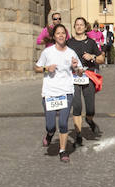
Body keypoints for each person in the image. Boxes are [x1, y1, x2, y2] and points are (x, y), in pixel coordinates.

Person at [35, 23, 83, 163]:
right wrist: (46, 68)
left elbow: (80, 72)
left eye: (63, 33)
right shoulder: (47, 52)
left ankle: (63, 150)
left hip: (66, 92)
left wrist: (76, 68)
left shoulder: (71, 53)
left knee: (63, 123)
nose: (61, 35)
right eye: (58, 33)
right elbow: (37, 68)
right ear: (54, 36)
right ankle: (50, 134)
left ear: (66, 36)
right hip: (50, 93)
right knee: (51, 125)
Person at [66, 16, 104, 140]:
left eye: (81, 24)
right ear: (74, 27)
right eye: (77, 24)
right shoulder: (69, 43)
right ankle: (78, 134)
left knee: (90, 109)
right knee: (76, 106)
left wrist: (92, 57)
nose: (79, 26)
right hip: (74, 77)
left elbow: (101, 59)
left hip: (89, 76)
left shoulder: (91, 42)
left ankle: (90, 120)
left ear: (85, 27)